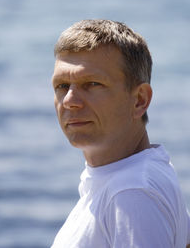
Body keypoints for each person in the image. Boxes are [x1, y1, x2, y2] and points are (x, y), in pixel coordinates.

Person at [51, 19, 190, 248]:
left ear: (139, 100)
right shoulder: (142, 172)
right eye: (62, 86)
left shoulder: (132, 192)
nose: (69, 101)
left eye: (92, 84)